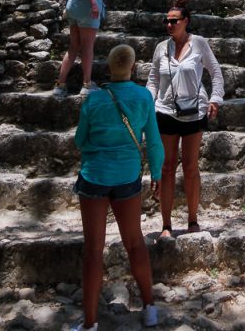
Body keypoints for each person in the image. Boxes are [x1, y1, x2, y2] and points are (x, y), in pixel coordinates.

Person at [72, 44, 164, 331]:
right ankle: (149, 307)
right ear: (133, 68)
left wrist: (95, 150)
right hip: (128, 176)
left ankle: (90, 323)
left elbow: (79, 140)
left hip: (95, 175)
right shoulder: (143, 97)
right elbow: (154, 141)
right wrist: (157, 173)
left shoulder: (94, 100)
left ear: (109, 69)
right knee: (135, 242)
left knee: (93, 249)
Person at [147, 0, 224, 239]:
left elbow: (215, 71)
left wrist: (216, 98)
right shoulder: (161, 47)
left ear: (185, 21)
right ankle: (166, 225)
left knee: (190, 166)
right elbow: (153, 80)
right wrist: (148, 103)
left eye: (174, 21)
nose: (169, 24)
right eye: (167, 21)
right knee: (167, 167)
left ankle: (192, 219)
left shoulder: (199, 43)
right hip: (166, 111)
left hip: (193, 111)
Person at [54, 0, 113, 100]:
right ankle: (87, 84)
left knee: (74, 46)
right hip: (87, 4)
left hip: (75, 4)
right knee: (87, 46)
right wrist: (94, 5)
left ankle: (61, 84)